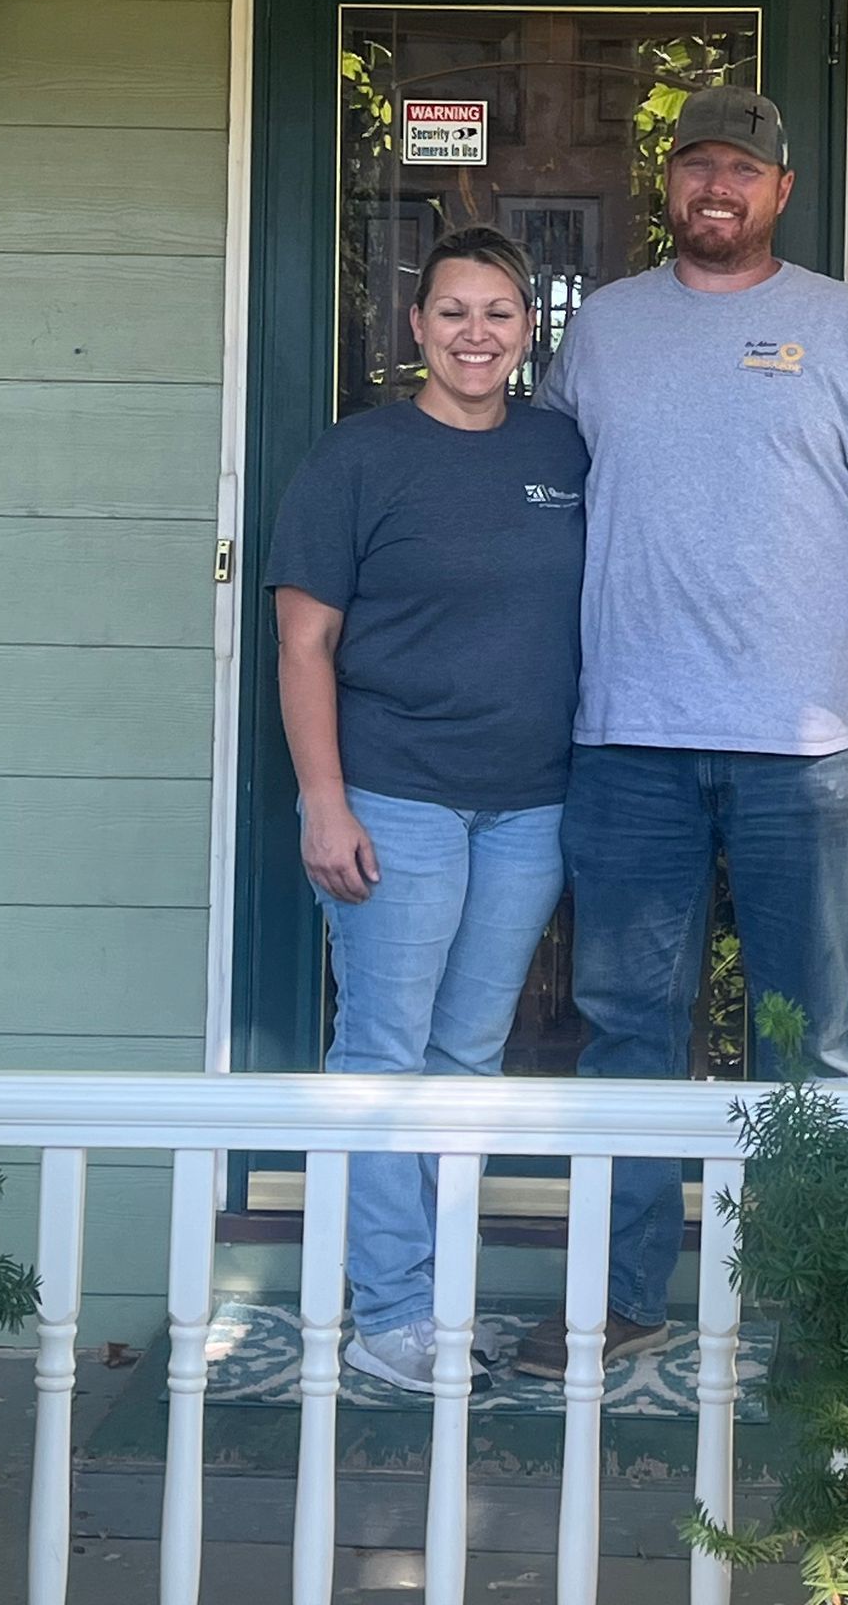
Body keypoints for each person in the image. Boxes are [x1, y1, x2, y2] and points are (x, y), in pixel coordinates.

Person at [514, 85, 848, 1378]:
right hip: (630, 742)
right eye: (696, 166)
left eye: (741, 170)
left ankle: (815, 1309)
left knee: (804, 1036)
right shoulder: (601, 333)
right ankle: (617, 1300)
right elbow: (533, 508)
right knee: (627, 1030)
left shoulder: (847, 332)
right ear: (671, 184)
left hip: (809, 749)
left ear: (780, 191)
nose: (717, 188)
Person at [268, 224, 587, 1394]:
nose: (476, 332)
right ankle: (386, 1312)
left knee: (466, 1056)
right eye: (454, 310)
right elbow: (304, 639)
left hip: (531, 806)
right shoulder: (358, 459)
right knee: (386, 1050)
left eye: (499, 312)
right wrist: (323, 799)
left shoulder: (562, 449)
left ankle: (436, 1309)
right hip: (394, 798)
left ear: (527, 328)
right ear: (416, 327)